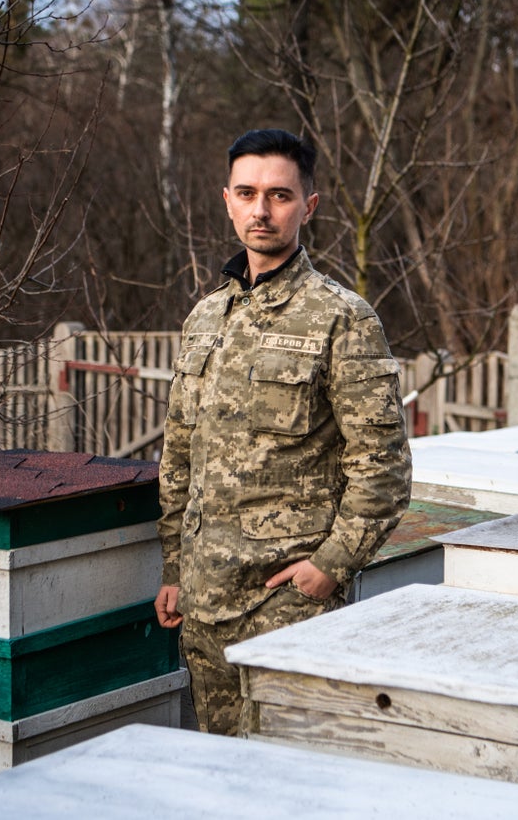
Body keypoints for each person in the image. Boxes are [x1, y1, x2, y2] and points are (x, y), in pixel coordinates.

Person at [154, 128, 412, 736]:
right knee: (220, 771)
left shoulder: (342, 318)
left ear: (308, 206)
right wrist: (173, 568)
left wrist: (332, 565)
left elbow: (383, 465)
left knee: (292, 778)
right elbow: (180, 455)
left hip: (288, 605)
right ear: (227, 200)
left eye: (279, 195)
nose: (261, 210)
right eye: (246, 193)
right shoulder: (206, 317)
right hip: (203, 602)